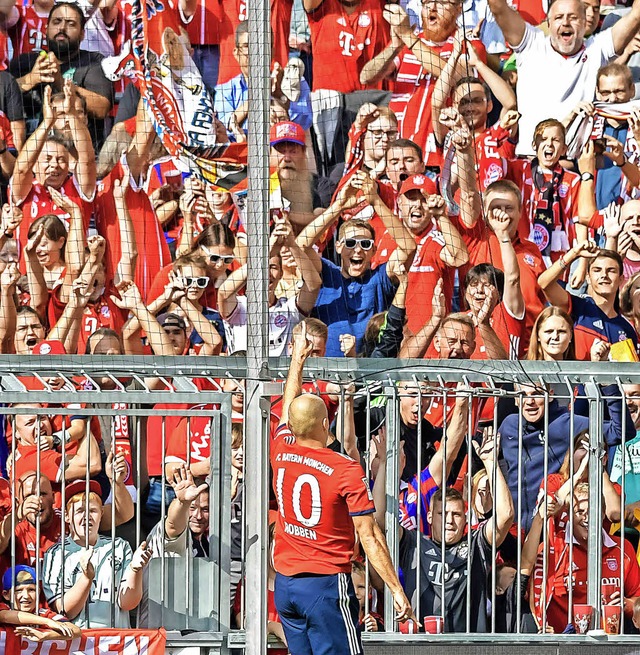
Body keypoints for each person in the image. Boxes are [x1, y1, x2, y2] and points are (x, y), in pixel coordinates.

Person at [272, 324, 415, 653]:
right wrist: (395, 588)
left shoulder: (281, 451)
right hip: (325, 584)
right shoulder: (344, 468)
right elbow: (370, 535)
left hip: (287, 585)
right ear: (326, 425)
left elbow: (287, 405)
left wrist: (297, 361)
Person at [395, 429, 514, 632]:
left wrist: (491, 462)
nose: (449, 521)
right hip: (420, 646)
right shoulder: (412, 543)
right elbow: (382, 521)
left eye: (456, 515)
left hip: (467, 646)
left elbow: (506, 515)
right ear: (430, 517)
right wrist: (392, 473)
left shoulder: (476, 544)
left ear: (465, 518)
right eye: (443, 514)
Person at [486, 0, 640, 155]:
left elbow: (636, 15)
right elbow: (498, 7)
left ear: (584, 21)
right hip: (530, 162)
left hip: (577, 165)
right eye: (559, 17)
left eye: (573, 17)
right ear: (548, 22)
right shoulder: (531, 43)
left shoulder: (597, 48)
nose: (566, 23)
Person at [499, 380, 633, 531]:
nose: (529, 401)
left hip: (549, 531)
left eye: (536, 394)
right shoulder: (509, 425)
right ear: (516, 400)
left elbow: (622, 432)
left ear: (550, 395)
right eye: (522, 395)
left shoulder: (567, 423)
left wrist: (607, 385)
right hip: (511, 531)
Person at [530, 482, 640, 633]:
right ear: (568, 516)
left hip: (610, 643)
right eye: (580, 511)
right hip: (562, 643)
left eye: (593, 511)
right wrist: (543, 628)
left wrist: (625, 604)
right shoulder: (552, 548)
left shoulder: (623, 549)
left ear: (603, 514)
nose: (587, 517)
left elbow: (637, 600)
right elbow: (533, 597)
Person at [42, 479, 152, 628]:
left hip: (115, 642)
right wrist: (86, 578)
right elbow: (65, 609)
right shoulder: (55, 554)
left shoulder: (119, 546)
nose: (87, 516)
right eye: (80, 511)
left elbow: (127, 603)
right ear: (67, 517)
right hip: (78, 644)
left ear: (101, 514)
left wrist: (135, 570)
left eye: (93, 511)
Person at [538, 245, 638, 359]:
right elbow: (545, 284)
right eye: (597, 270)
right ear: (588, 278)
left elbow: (624, 373)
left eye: (611, 271)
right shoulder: (577, 307)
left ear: (621, 279)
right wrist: (574, 253)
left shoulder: (626, 329)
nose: (604, 275)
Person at [0, 565, 81, 643]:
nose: (26, 596)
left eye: (31, 590)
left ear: (38, 592)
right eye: (18, 590)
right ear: (6, 595)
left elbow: (76, 630)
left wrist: (47, 635)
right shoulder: (4, 609)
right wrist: (47, 622)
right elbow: (5, 616)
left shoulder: (43, 613)